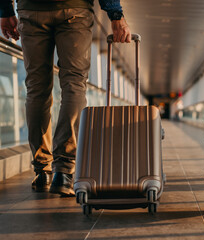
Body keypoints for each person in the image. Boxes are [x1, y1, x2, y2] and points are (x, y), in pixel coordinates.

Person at [0, 0, 131, 196]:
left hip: (31, 9)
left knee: (36, 89)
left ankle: (42, 169)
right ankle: (64, 169)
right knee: (74, 85)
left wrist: (5, 10)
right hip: (74, 9)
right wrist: (115, 14)